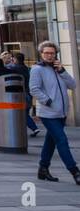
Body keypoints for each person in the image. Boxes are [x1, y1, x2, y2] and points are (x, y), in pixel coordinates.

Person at [29, 41, 79, 184]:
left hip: (62, 113)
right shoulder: (37, 69)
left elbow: (73, 85)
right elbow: (34, 89)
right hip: (48, 113)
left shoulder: (58, 68)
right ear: (41, 54)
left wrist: (62, 71)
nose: (49, 56)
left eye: (52, 53)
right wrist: (48, 101)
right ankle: (74, 171)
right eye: (46, 53)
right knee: (62, 140)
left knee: (50, 142)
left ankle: (43, 169)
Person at [3, 51, 40, 137]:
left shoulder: (16, 68)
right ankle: (27, 129)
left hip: (21, 93)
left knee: (22, 113)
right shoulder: (25, 68)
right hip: (27, 92)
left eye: (13, 58)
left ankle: (33, 128)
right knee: (24, 113)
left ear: (15, 59)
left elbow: (5, 70)